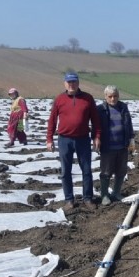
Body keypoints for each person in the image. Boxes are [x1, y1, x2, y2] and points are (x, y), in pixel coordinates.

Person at [46, 72, 101, 211]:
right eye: (69, 82)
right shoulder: (59, 99)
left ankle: (88, 198)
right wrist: (49, 139)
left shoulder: (88, 98)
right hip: (65, 139)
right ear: (65, 83)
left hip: (83, 139)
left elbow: (95, 120)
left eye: (74, 82)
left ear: (78, 83)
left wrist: (97, 137)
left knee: (87, 170)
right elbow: (52, 120)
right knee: (65, 171)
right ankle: (69, 200)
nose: (72, 85)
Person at [97, 85, 134, 206]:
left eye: (115, 96)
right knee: (106, 172)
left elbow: (129, 124)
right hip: (108, 147)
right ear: (105, 97)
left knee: (121, 171)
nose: (113, 99)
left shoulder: (123, 107)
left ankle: (116, 192)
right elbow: (96, 127)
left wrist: (131, 139)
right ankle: (104, 195)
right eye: (110, 96)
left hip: (122, 146)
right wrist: (96, 139)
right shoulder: (100, 109)